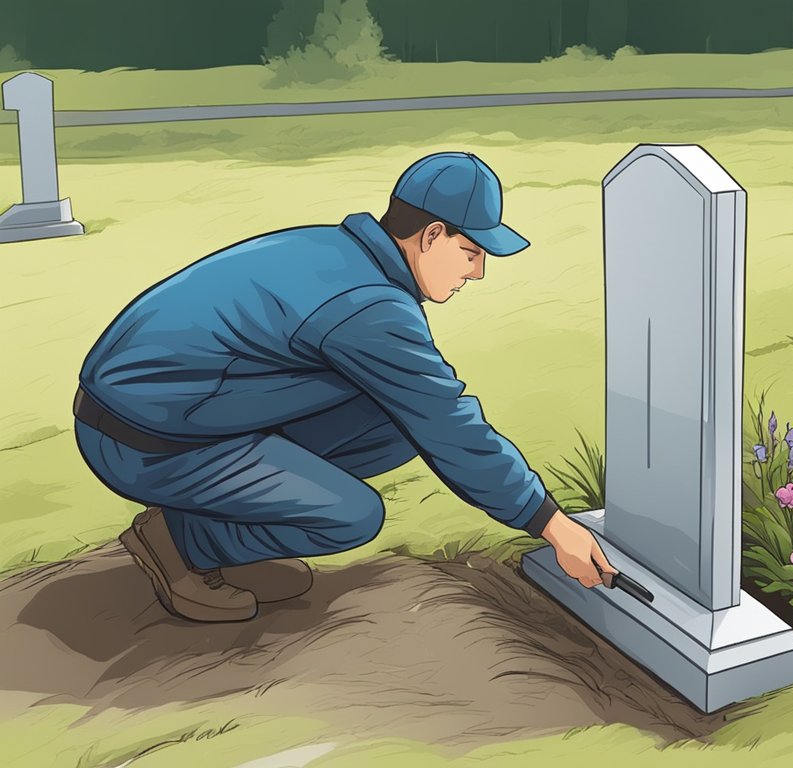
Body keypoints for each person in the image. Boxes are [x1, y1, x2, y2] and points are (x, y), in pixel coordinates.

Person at [73, 151, 613, 623]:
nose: (477, 273)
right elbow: (450, 423)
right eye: (473, 253)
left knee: (397, 425)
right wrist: (553, 525)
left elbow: (426, 414)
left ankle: (232, 529)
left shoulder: (340, 254)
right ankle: (181, 544)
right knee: (352, 516)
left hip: (186, 409)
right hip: (140, 442)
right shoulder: (370, 308)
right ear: (431, 235)